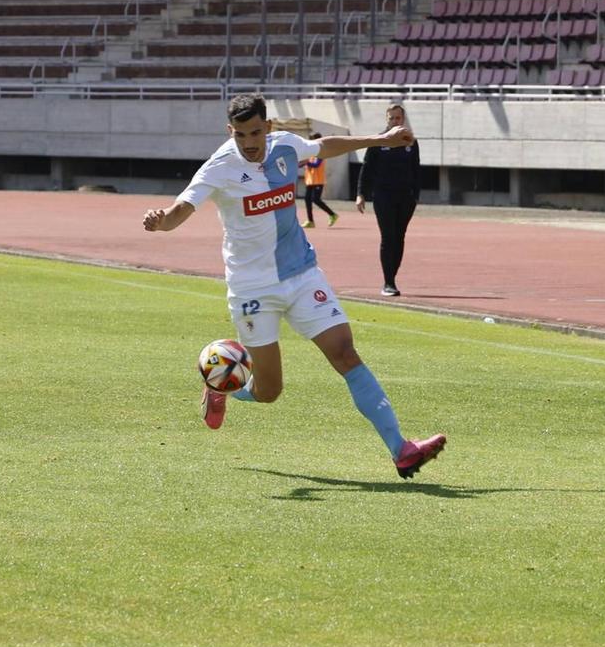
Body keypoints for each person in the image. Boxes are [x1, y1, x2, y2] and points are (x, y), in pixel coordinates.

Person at [141, 93, 446, 479]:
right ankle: (222, 387)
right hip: (253, 288)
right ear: (229, 131)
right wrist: (161, 221)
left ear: (268, 128)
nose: (249, 143)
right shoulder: (219, 167)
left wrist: (381, 140)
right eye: (240, 134)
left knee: (345, 352)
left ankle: (400, 449)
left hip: (302, 274)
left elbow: (325, 146)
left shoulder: (284, 146)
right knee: (269, 391)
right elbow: (181, 209)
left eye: (255, 132)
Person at [356, 102, 421, 297]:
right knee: (388, 237)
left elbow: (416, 170)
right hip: (383, 195)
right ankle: (388, 282)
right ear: (387, 119)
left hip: (405, 197)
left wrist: (415, 195)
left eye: (398, 118)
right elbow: (366, 168)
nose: (395, 121)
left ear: (403, 119)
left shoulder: (410, 141)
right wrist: (361, 194)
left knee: (399, 237)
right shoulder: (379, 140)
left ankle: (392, 276)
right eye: (391, 118)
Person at [302, 150, 339, 228]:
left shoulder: (321, 155)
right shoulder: (309, 155)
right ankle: (310, 221)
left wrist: (306, 162)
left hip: (318, 181)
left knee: (316, 199)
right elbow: (302, 165)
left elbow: (316, 165)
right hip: (310, 181)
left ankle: (332, 214)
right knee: (307, 200)